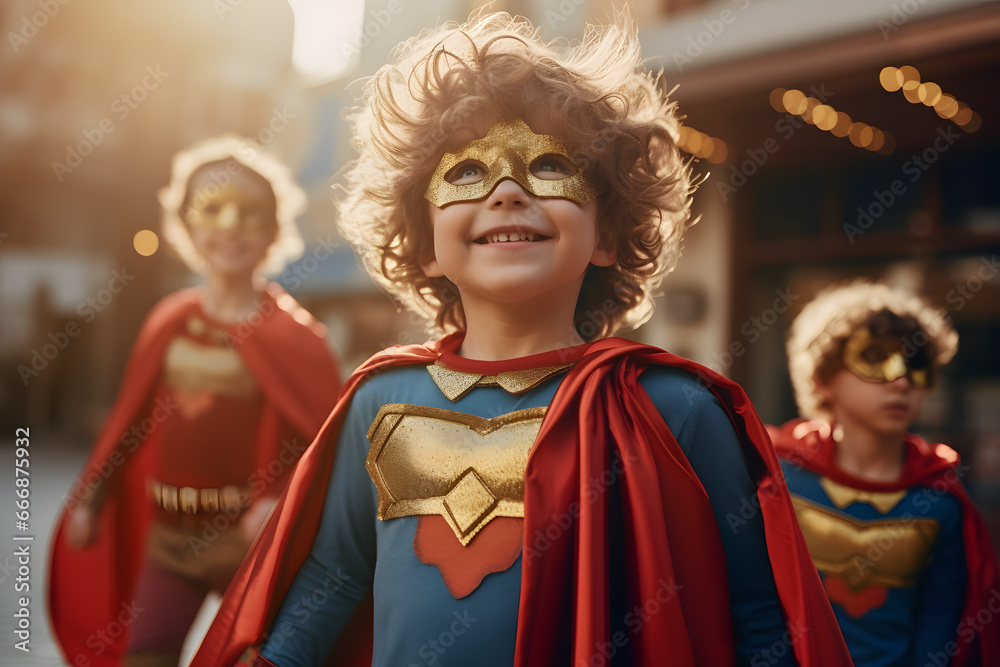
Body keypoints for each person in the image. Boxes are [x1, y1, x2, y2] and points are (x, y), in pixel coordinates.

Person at [193, 14, 852, 667]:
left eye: (548, 165)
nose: (508, 190)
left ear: (609, 235)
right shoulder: (376, 398)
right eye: (465, 172)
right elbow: (333, 578)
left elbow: (757, 617)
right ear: (425, 246)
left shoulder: (674, 409)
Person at [48, 136, 343, 667]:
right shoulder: (169, 319)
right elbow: (129, 418)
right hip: (168, 538)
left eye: (248, 214)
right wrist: (92, 498)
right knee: (144, 658)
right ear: (186, 224)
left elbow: (320, 441)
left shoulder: (297, 338)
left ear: (275, 230)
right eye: (211, 209)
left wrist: (277, 493)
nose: (229, 226)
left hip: (250, 547)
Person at [769, 280, 1000, 667]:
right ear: (823, 378)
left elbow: (940, 631)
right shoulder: (778, 477)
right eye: (874, 358)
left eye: (916, 364)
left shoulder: (940, 498)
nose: (902, 380)